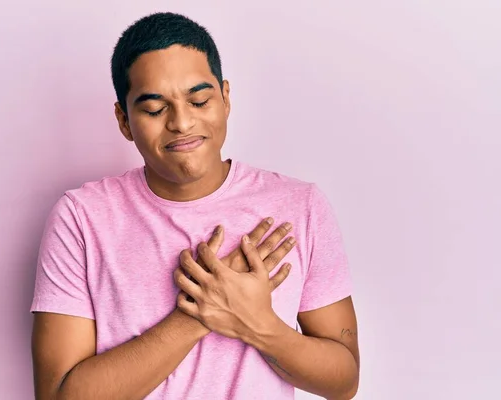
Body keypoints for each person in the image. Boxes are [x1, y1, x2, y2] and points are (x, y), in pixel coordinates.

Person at [30, 11, 359, 400]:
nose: (182, 122)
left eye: (199, 100)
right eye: (154, 109)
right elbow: (59, 396)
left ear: (225, 98)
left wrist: (257, 323)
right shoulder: (81, 218)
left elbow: (344, 382)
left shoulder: (299, 206)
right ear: (123, 120)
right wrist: (194, 317)